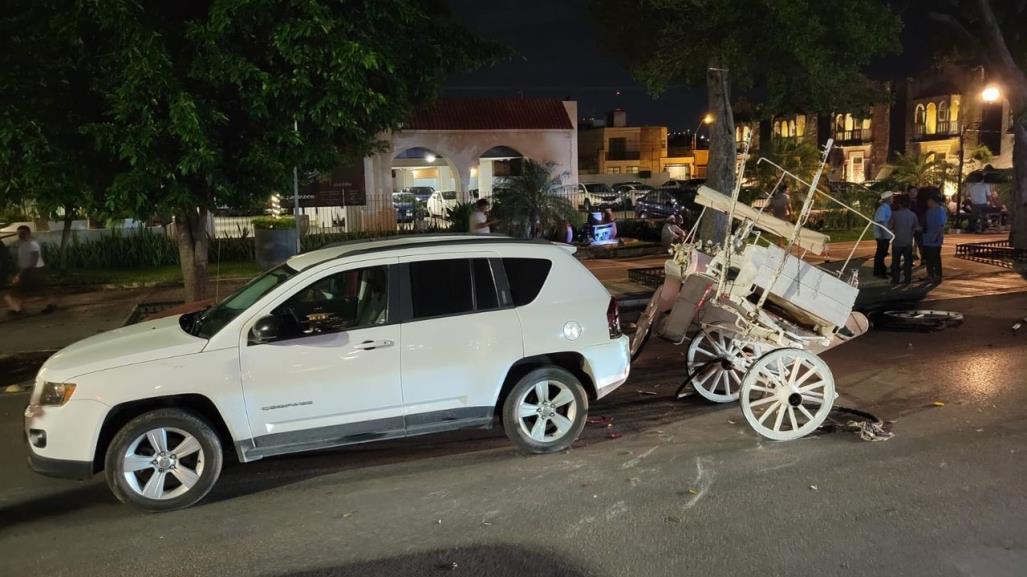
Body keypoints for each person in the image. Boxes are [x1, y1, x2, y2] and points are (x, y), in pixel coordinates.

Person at [4, 225, 48, 315]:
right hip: (28, 271)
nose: (20, 235)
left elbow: (33, 261)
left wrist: (20, 275)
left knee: (14, 293)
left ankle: (17, 309)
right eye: (19, 233)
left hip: (31, 271)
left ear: (28, 233)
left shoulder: (32, 244)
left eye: (23, 233)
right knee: (23, 292)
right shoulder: (23, 244)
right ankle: (18, 308)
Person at [888, 195, 919, 286]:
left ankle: (895, 279)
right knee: (908, 262)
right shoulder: (913, 215)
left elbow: (890, 226)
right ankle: (907, 279)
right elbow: (916, 227)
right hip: (908, 242)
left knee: (895, 262)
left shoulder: (895, 214)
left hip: (897, 241)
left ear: (900, 204)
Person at [921, 192, 947, 284]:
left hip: (934, 239)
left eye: (928, 201)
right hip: (927, 238)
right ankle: (930, 275)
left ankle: (937, 275)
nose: (927, 203)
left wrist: (935, 236)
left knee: (935, 258)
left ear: (932, 201)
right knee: (928, 258)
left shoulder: (940, 210)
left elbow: (941, 225)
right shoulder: (929, 210)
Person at [872, 191, 894, 278]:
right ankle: (878, 272)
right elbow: (880, 222)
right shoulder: (883, 208)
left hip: (885, 234)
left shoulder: (887, 207)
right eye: (892, 197)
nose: (893, 199)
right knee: (880, 253)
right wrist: (883, 235)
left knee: (882, 253)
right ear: (888, 199)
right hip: (882, 235)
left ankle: (882, 269)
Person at [907, 186, 927, 263]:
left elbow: (923, 214)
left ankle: (923, 259)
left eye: (914, 192)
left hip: (918, 226)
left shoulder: (921, 202)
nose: (913, 194)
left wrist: (921, 224)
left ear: (917, 193)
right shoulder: (906, 202)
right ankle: (909, 259)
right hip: (908, 226)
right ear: (908, 193)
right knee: (908, 244)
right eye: (911, 192)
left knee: (921, 243)